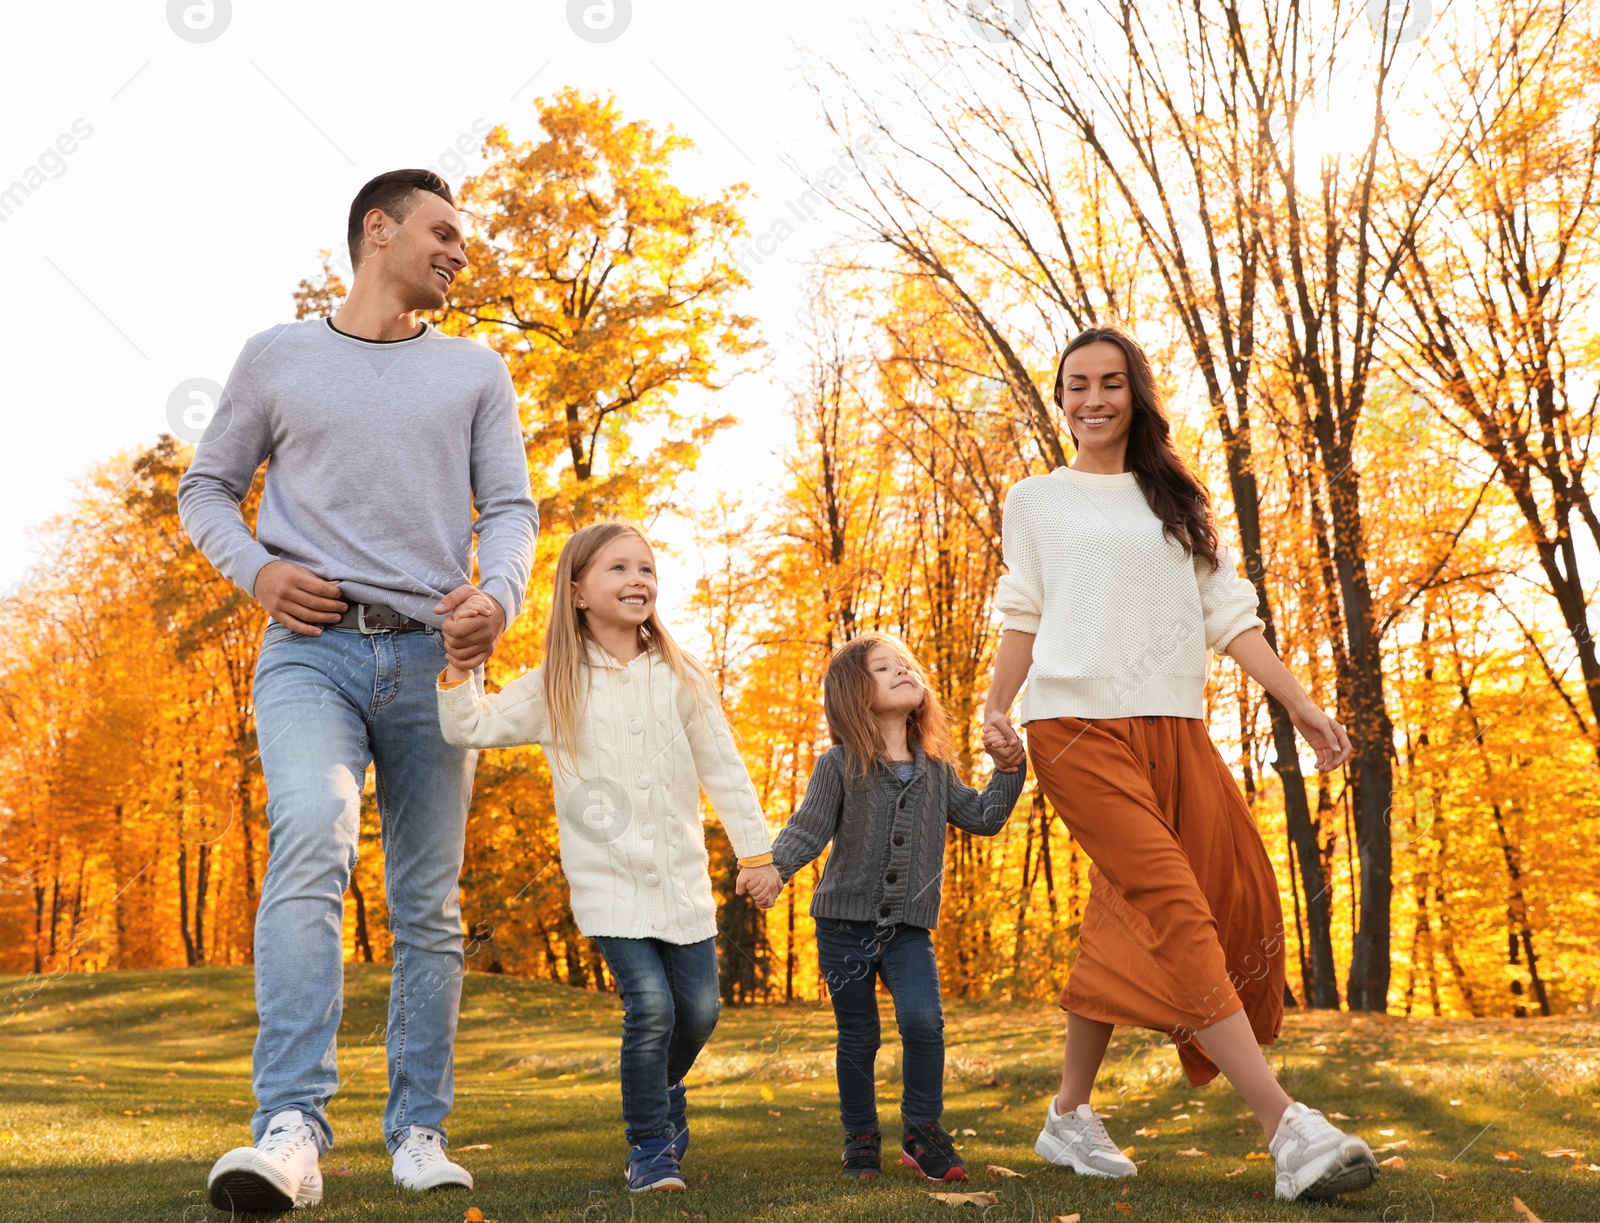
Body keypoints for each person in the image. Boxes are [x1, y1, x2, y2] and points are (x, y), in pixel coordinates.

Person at [179, 169, 538, 1212]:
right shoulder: (277, 355)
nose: (459, 253)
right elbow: (205, 486)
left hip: (436, 659)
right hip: (311, 652)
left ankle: (419, 1128)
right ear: (376, 231)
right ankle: (289, 1128)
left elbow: (508, 506)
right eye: (443, 232)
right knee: (313, 830)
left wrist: (500, 598)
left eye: (462, 239)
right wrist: (256, 569)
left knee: (427, 900)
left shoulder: (476, 370)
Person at [981, 325, 1380, 1203]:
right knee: (1171, 898)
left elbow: (1226, 611)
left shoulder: (1176, 498)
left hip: (1175, 725)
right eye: (1077, 384)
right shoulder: (1037, 500)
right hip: (1075, 726)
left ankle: (1067, 1114)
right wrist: (994, 706)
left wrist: (1301, 701)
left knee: (1220, 889)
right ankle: (1286, 1126)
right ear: (1061, 396)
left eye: (1111, 383)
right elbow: (1023, 610)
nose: (1093, 399)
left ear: (1137, 394)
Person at [435, 520, 781, 1193]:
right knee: (650, 1006)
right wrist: (459, 665)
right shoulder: (555, 683)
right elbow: (471, 725)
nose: (638, 580)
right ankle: (651, 1147)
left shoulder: (682, 675)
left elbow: (726, 767)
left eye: (646, 569)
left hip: (682, 884)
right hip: (607, 886)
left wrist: (756, 852)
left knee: (701, 1011)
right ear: (578, 592)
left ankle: (660, 1089)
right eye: (619, 569)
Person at [770, 633, 1025, 1183]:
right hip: (843, 925)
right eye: (883, 668)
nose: (903, 671)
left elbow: (982, 817)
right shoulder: (838, 764)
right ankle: (860, 1136)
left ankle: (922, 1130)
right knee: (859, 1034)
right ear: (854, 696)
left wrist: (1008, 771)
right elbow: (807, 830)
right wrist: (774, 869)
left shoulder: (935, 769)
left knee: (923, 1022)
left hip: (908, 930)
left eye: (905, 665)